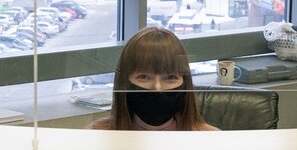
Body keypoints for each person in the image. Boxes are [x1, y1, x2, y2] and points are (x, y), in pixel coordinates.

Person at [90, 27, 218, 131]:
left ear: (185, 83)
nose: (157, 88)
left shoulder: (210, 139)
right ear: (125, 82)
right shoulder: (96, 135)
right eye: (143, 77)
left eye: (170, 78)